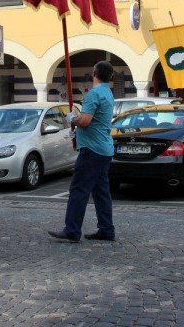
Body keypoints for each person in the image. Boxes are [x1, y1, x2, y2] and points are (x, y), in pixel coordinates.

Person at [49, 61, 115, 242]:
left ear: (94, 72)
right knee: (101, 191)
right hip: (104, 148)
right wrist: (77, 129)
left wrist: (74, 119)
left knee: (78, 189)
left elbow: (85, 121)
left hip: (92, 150)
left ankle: (72, 229)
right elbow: (94, 122)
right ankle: (106, 228)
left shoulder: (94, 94)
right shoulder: (108, 93)